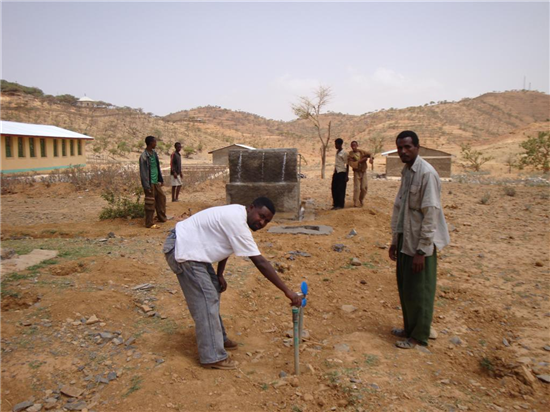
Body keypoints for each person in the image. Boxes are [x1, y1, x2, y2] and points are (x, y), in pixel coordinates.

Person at [163, 197, 302, 370]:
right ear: (251, 207)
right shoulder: (237, 222)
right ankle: (212, 356)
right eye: (261, 216)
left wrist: (220, 274)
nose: (262, 222)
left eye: (267, 221)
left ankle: (217, 339)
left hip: (192, 248)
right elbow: (260, 263)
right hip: (182, 248)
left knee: (212, 290)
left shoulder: (238, 214)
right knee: (206, 299)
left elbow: (226, 244)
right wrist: (287, 291)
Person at [388, 131, 450, 349]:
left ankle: (419, 336)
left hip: (421, 244)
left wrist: (422, 251)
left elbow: (430, 214)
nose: (403, 151)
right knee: (406, 288)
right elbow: (401, 208)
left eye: (408, 147)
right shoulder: (407, 172)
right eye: (400, 148)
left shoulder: (427, 174)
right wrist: (395, 240)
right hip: (406, 238)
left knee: (420, 290)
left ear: (417, 147)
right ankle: (409, 328)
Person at [139, 135, 167, 228]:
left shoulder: (154, 154)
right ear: (151, 143)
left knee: (161, 198)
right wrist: (146, 186)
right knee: (150, 203)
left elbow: (157, 167)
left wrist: (160, 179)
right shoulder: (143, 156)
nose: (156, 144)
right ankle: (149, 222)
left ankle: (161, 217)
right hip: (149, 183)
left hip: (155, 182)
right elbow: (143, 173)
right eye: (155, 142)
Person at [347, 141, 371, 207]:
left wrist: (371, 158)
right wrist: (361, 160)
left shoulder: (361, 152)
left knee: (364, 187)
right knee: (357, 188)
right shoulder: (350, 154)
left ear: (357, 145)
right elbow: (352, 164)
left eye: (355, 145)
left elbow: (370, 154)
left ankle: (361, 199)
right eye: (352, 146)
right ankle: (355, 202)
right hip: (356, 172)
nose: (353, 147)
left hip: (363, 171)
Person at [331, 138, 348, 210]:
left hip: (342, 172)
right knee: (334, 188)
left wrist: (347, 175)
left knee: (340, 189)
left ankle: (340, 205)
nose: (335, 145)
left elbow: (347, 164)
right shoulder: (337, 152)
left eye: (336, 144)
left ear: (340, 144)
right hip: (336, 172)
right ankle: (335, 204)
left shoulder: (344, 153)